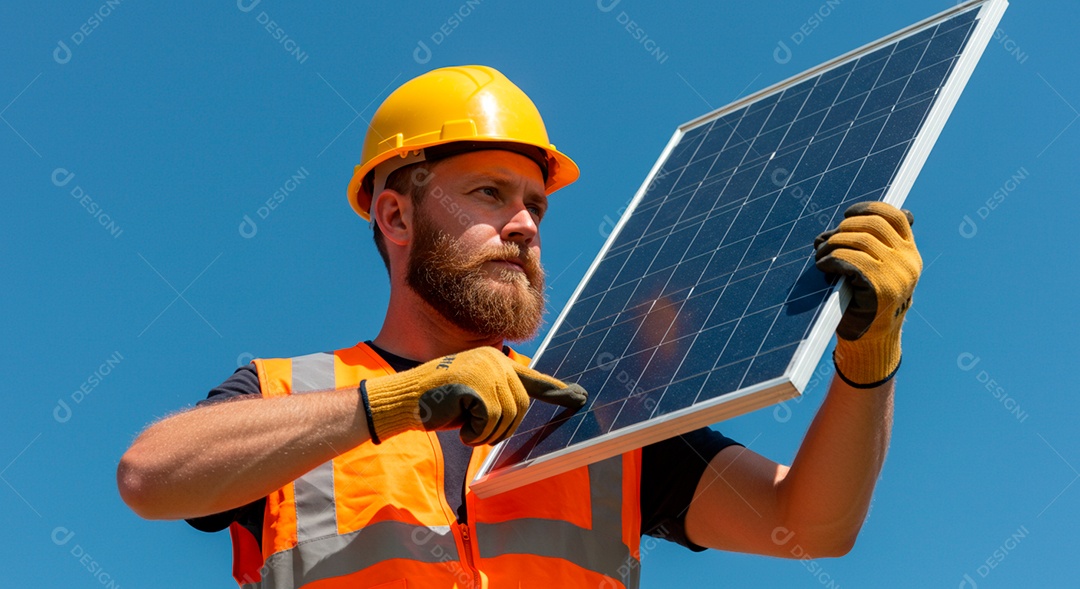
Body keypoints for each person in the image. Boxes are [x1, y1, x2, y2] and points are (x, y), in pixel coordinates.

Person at [117, 65, 922, 588]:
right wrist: (397, 401)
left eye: (535, 204)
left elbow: (812, 523)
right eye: (490, 195)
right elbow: (150, 475)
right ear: (395, 215)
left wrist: (869, 360)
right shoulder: (289, 393)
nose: (526, 226)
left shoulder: (593, 409)